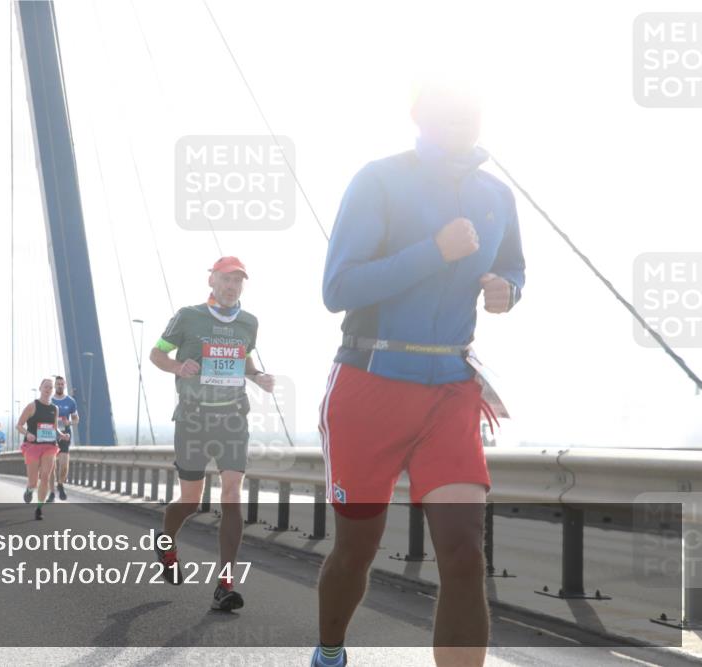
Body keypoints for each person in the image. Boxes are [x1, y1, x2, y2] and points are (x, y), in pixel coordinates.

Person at [311, 80, 526, 667]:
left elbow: (512, 265)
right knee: (356, 549)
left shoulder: (496, 195)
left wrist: (510, 290)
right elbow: (339, 288)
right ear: (419, 114)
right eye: (447, 107)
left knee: (463, 554)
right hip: (369, 383)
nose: (461, 116)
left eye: (471, 106)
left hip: (452, 390)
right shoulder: (379, 179)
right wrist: (435, 250)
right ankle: (329, 652)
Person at [149, 256, 275, 611]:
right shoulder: (188, 316)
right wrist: (177, 365)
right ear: (212, 282)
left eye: (238, 281)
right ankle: (167, 540)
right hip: (192, 419)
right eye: (226, 279)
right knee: (190, 500)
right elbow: (156, 353)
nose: (232, 286)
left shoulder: (249, 322)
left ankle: (225, 583)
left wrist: (257, 376)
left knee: (232, 494)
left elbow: (245, 360)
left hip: (233, 418)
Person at [17, 378, 70, 520]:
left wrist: (61, 435)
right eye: (45, 387)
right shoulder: (32, 406)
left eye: (50, 388)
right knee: (33, 481)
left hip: (49, 446)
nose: (48, 390)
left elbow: (53, 427)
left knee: (45, 476)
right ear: (40, 388)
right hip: (33, 446)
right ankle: (29, 489)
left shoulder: (55, 409)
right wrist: (27, 434)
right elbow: (19, 425)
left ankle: (39, 508)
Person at [49, 376, 79, 501]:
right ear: (54, 386)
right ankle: (51, 493)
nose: (60, 386)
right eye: (58, 384)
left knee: (64, 465)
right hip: (50, 435)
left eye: (62, 384)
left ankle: (60, 484)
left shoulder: (71, 401)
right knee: (51, 466)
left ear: (65, 386)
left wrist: (69, 423)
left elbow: (76, 419)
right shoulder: (49, 400)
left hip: (65, 435)